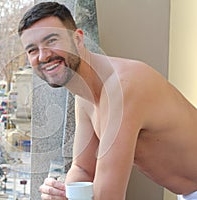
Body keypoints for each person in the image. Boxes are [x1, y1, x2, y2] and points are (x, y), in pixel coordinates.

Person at [18, 2, 197, 200]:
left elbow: (108, 197)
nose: (43, 55)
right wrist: (63, 193)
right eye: (32, 50)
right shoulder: (84, 97)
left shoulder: (122, 87)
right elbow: (83, 169)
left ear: (77, 39)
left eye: (51, 40)